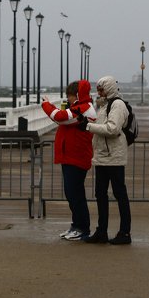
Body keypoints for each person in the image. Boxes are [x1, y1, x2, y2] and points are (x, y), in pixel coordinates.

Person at [77, 75, 132, 245]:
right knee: (100, 194)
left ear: (108, 89)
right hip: (102, 157)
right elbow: (103, 128)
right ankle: (101, 231)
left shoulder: (117, 105)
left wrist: (87, 126)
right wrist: (86, 122)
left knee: (119, 194)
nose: (98, 92)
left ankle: (124, 233)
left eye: (101, 89)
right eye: (98, 89)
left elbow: (112, 129)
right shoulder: (104, 105)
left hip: (114, 157)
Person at [41, 80, 97, 241]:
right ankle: (76, 225)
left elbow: (59, 117)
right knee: (72, 193)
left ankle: (82, 228)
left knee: (75, 194)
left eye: (70, 96)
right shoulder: (79, 107)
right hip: (70, 157)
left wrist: (46, 105)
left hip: (77, 157)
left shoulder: (84, 109)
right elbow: (64, 118)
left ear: (77, 95)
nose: (69, 99)